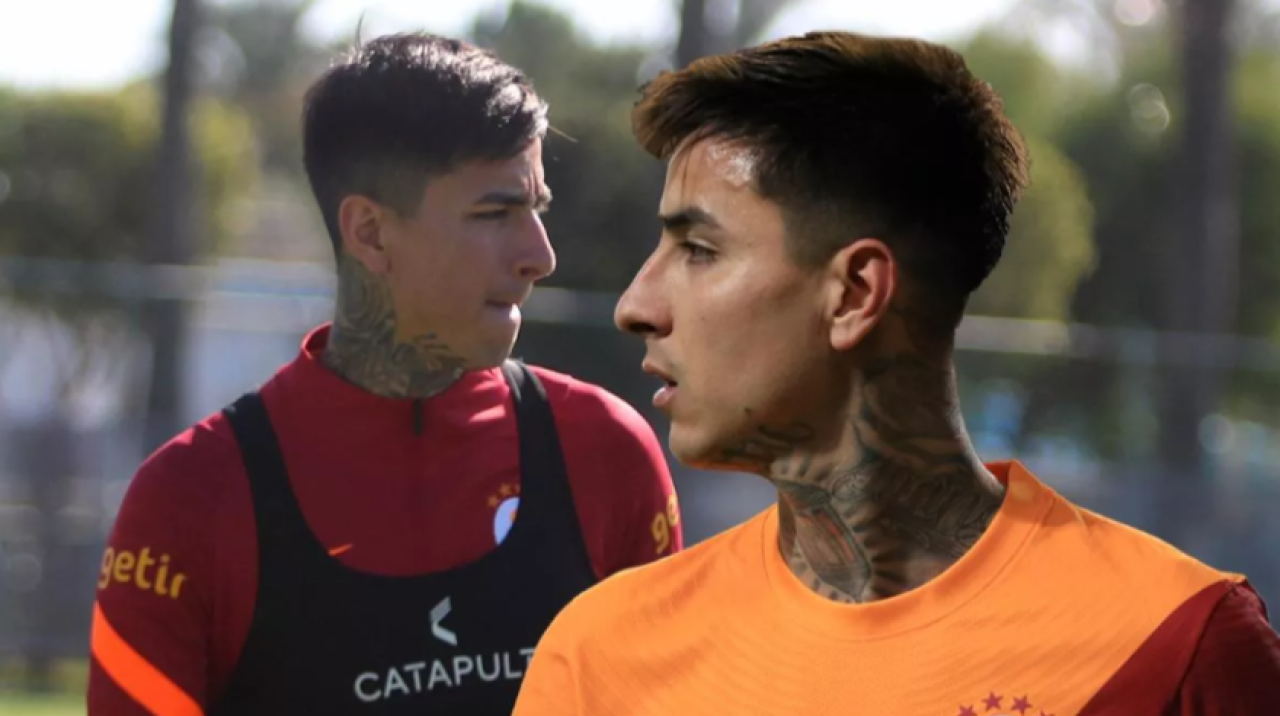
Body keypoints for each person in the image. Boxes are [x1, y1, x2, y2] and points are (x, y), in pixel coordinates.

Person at [512, 30, 1280, 715]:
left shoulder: (1175, 644)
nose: (636, 305)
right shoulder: (601, 657)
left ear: (855, 294)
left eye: (700, 251)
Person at [88, 32, 682, 716]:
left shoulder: (605, 452)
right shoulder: (189, 500)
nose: (540, 256)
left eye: (537, 209)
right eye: (495, 213)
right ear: (369, 232)